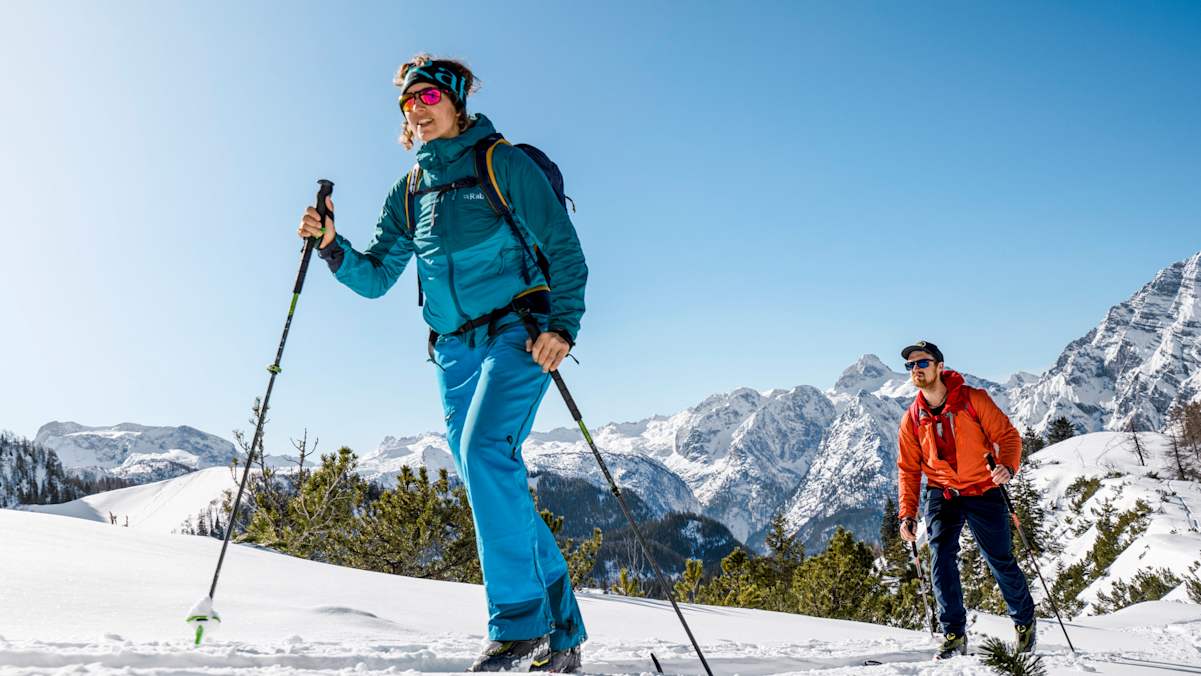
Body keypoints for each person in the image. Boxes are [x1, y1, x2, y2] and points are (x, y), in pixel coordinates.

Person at [297, 54, 588, 673]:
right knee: (493, 477)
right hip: (451, 351)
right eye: (408, 104)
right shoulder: (409, 193)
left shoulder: (502, 164)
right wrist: (331, 246)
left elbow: (564, 247)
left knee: (485, 453)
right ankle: (563, 632)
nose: (417, 111)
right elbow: (376, 277)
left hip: (518, 332)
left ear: (456, 102)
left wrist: (563, 326)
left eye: (427, 98)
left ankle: (517, 627)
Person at [895, 340, 1037, 659]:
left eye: (922, 363)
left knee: (999, 560)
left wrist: (1008, 466)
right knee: (941, 557)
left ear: (939, 367)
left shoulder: (973, 400)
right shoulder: (912, 418)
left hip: (983, 489)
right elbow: (907, 469)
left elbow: (1008, 437)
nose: (916, 369)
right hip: (942, 493)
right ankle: (953, 634)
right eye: (910, 365)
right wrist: (907, 513)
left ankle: (1025, 622)